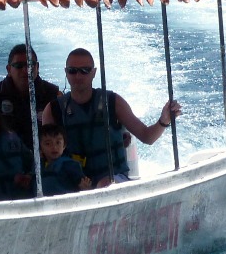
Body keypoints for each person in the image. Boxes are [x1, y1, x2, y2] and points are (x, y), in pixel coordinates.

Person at [42, 48, 182, 185]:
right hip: (72, 183)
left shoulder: (113, 102)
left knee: (105, 183)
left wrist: (164, 120)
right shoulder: (54, 110)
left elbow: (147, 137)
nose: (78, 76)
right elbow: (44, 153)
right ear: (66, 72)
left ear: (94, 72)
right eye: (72, 71)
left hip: (113, 180)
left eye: (85, 70)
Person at [0, 44, 61, 150]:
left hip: (43, 159)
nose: (26, 70)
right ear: (9, 69)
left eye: (30, 65)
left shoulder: (53, 94)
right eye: (19, 66)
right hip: (7, 159)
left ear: (37, 67)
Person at [38, 123, 91, 196]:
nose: (54, 147)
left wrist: (85, 187)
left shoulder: (70, 165)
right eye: (48, 144)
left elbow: (83, 186)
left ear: (64, 145)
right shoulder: (39, 168)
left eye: (58, 142)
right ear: (40, 148)